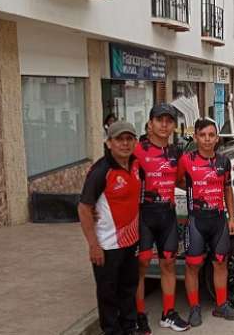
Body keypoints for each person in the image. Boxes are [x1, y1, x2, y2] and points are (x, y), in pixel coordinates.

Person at [78, 121, 141, 335]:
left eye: (129, 139)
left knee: (128, 288)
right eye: (119, 139)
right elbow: (84, 208)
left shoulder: (135, 164)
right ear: (109, 143)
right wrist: (93, 245)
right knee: (108, 294)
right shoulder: (100, 171)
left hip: (131, 241)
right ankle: (112, 331)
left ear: (135, 142)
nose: (125, 144)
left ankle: (129, 327)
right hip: (107, 245)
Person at [178, 118, 234, 326]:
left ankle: (221, 305)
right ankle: (194, 308)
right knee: (193, 266)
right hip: (196, 219)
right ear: (196, 137)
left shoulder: (224, 161)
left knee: (220, 263)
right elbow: (178, 181)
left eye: (211, 135)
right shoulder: (186, 160)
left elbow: (227, 189)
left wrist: (232, 218)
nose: (207, 139)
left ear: (217, 138)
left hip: (218, 221)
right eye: (202, 135)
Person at [133, 104, 188, 334]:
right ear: (150, 124)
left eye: (169, 120)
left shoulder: (177, 152)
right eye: (159, 120)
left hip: (167, 215)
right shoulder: (137, 150)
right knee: (142, 264)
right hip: (143, 215)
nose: (164, 125)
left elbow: (181, 181)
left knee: (168, 263)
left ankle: (168, 313)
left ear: (174, 126)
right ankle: (138, 315)